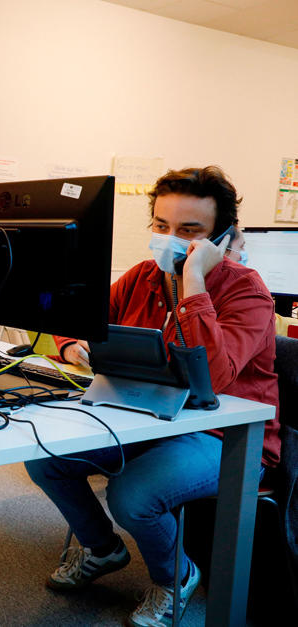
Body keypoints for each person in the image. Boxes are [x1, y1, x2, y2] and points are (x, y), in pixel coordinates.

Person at [25, 166, 280, 626]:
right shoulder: (142, 277)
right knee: (46, 458)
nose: (170, 240)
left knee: (133, 495)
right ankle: (103, 550)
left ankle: (175, 578)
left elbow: (215, 378)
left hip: (226, 434)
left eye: (189, 231)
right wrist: (71, 344)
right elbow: (76, 316)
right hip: (146, 416)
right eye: (161, 227)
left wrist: (194, 282)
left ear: (222, 238)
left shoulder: (249, 293)